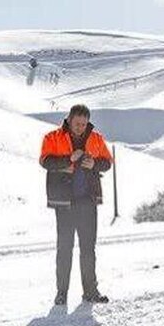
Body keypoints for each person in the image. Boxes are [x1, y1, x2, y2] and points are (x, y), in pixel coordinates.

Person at [40, 104, 113, 306]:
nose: (80, 127)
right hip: (64, 203)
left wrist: (94, 165)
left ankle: (90, 291)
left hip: (88, 201)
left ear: (87, 122)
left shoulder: (96, 138)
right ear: (69, 120)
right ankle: (61, 293)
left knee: (88, 248)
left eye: (84, 123)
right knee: (64, 249)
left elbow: (107, 162)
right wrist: (67, 160)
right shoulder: (52, 137)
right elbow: (45, 161)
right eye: (77, 123)